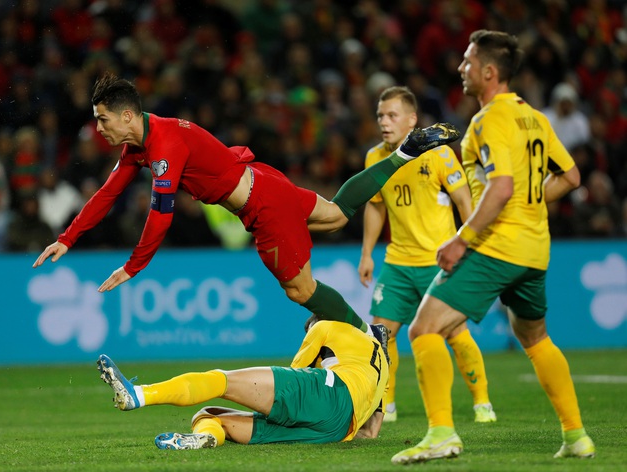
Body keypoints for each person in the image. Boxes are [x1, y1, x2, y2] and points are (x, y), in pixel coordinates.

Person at [32, 72, 459, 340]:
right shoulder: (143, 143)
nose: (98, 128)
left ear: (127, 116)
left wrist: (133, 266)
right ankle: (405, 152)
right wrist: (67, 239)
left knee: (301, 291)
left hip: (261, 206)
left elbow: (161, 213)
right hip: (263, 181)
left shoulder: (163, 145)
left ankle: (370, 338)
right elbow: (107, 194)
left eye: (103, 119)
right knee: (336, 214)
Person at [390, 30, 594, 464]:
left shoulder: (489, 120)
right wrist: (529, 203)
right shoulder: (536, 118)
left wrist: (461, 239)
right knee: (534, 337)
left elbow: (500, 187)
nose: (460, 68)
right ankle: (577, 436)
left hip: (498, 246)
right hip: (536, 249)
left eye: (467, 61)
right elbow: (572, 177)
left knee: (423, 329)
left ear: (488, 71)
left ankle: (441, 433)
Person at [358, 85, 496, 424]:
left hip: (439, 262)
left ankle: (482, 402)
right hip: (398, 263)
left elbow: (465, 203)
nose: (384, 122)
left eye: (392, 115)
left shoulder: (439, 154)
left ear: (412, 119)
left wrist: (470, 245)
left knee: (454, 331)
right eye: (380, 116)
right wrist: (367, 254)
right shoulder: (375, 157)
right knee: (380, 333)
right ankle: (385, 404)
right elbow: (375, 207)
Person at [97, 319, 388, 448]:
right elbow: (372, 430)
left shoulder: (327, 326)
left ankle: (139, 394)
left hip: (326, 395)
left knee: (221, 380)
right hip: (336, 431)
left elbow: (293, 373)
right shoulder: (382, 366)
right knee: (209, 415)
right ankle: (207, 438)